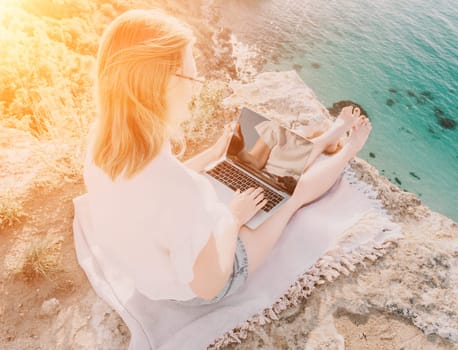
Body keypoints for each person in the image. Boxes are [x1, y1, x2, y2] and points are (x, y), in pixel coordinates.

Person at [79, 9, 372, 305]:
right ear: (164, 84)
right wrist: (234, 218)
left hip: (158, 262)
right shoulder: (178, 189)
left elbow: (164, 186)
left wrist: (215, 153)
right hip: (206, 275)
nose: (194, 90)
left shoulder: (104, 139)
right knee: (290, 192)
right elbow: (209, 283)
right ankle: (348, 149)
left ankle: (324, 141)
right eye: (192, 78)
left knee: (267, 161)